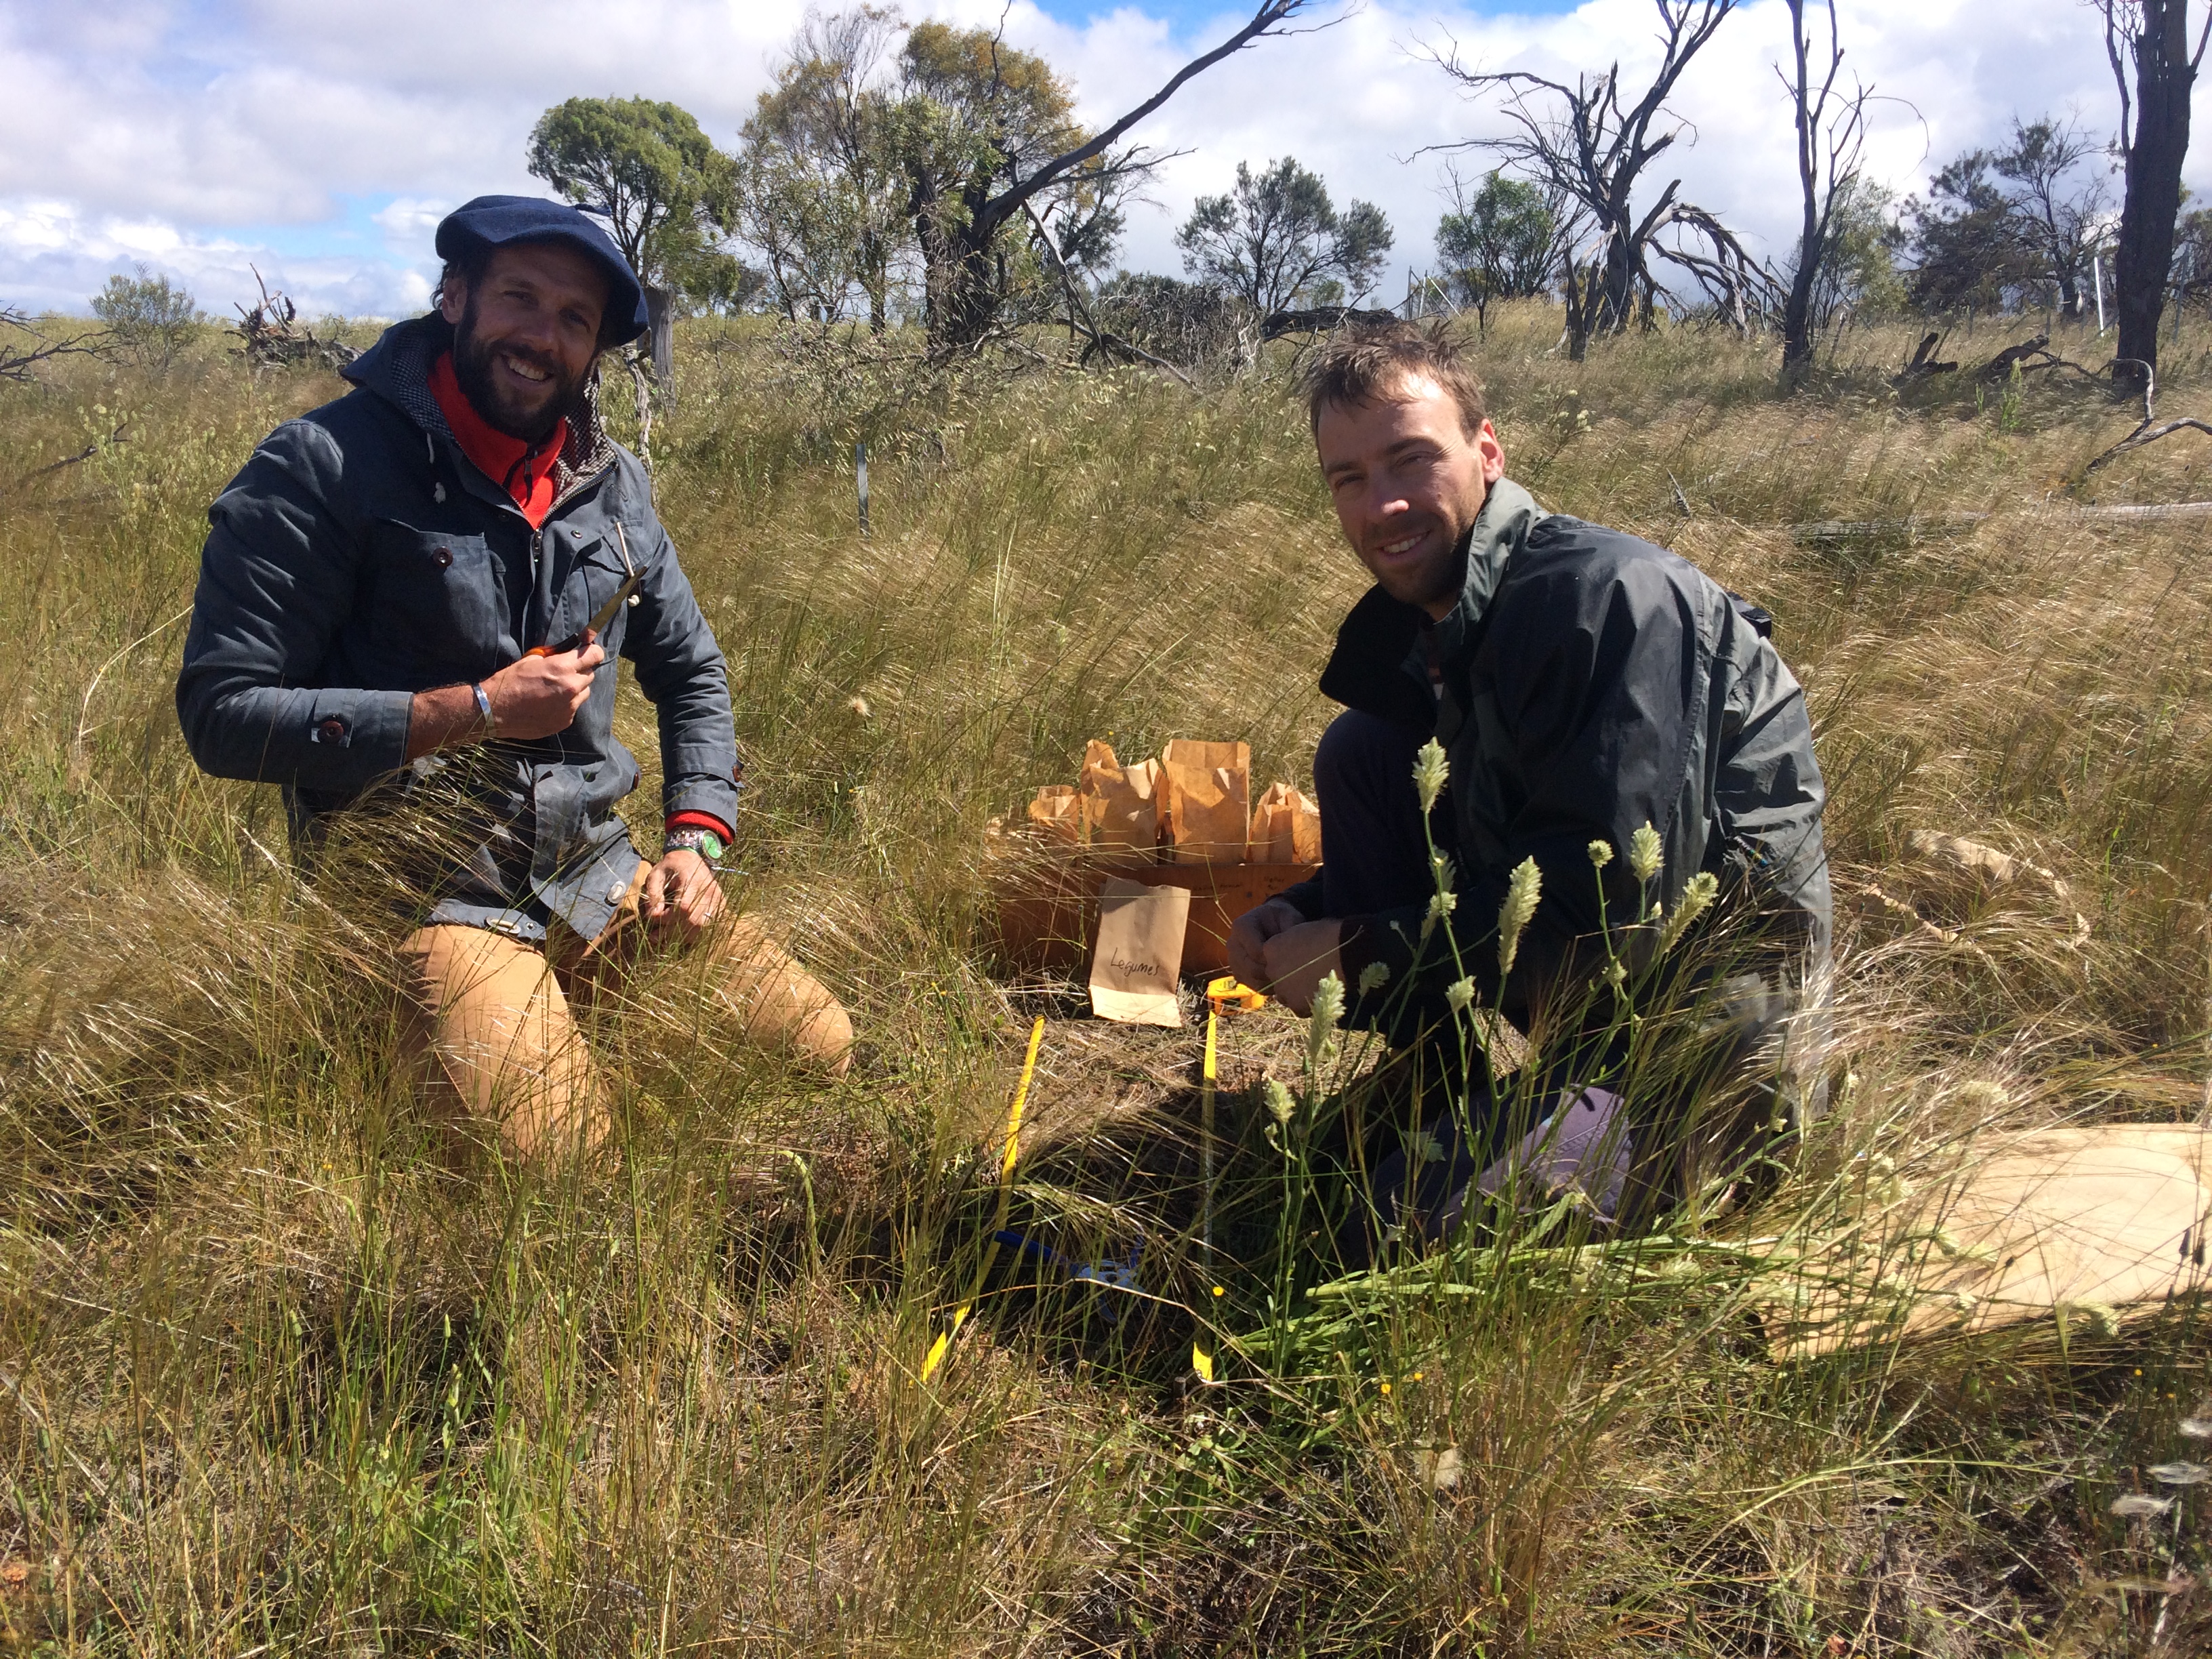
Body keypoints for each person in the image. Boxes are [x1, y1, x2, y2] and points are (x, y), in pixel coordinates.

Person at [177, 195, 853, 1159]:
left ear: (595, 349)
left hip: (594, 871)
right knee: (565, 1158)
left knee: (816, 1049)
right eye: (520, 298)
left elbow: (693, 668)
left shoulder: (610, 485)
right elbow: (224, 715)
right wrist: (478, 710)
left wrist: (698, 840)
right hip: (423, 889)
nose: (543, 336)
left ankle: (550, 1012)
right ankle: (410, 1019)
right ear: (455, 297)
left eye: (575, 319)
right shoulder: (324, 466)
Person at [1226, 322, 1830, 1242]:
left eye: (1410, 460)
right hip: (1584, 993)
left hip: (1696, 1046)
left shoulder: (1604, 602)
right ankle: (1445, 1077)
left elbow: (1604, 919)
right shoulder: (1444, 625)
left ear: (1487, 452)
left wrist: (1354, 951)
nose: (1382, 506)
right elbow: (1501, 831)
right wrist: (1304, 912)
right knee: (1366, 749)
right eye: (1349, 479)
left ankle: (1576, 1134)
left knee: (1385, 1230)